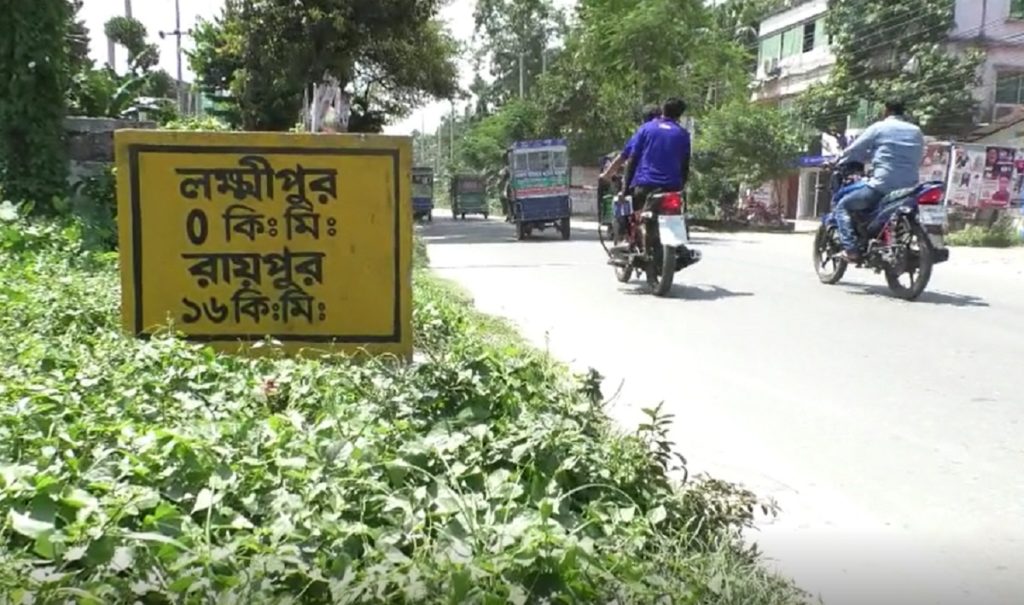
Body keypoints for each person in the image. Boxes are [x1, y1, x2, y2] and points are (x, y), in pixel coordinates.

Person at [833, 99, 924, 262]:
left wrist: (839, 160)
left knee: (842, 206)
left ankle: (851, 249)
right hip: (910, 187)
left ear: (886, 110)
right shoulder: (916, 131)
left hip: (882, 186)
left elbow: (855, 148)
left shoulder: (879, 128)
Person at [621, 97, 692, 215]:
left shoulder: (646, 129)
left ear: (663, 110)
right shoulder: (683, 135)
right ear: (679, 115)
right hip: (671, 188)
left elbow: (633, 159)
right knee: (675, 216)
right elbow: (685, 166)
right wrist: (680, 189)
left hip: (644, 186)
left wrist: (625, 190)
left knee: (631, 216)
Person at [599, 104, 663, 184]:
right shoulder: (674, 130)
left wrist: (607, 174)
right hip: (673, 184)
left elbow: (624, 156)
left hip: (646, 183)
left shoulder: (644, 130)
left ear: (644, 119)